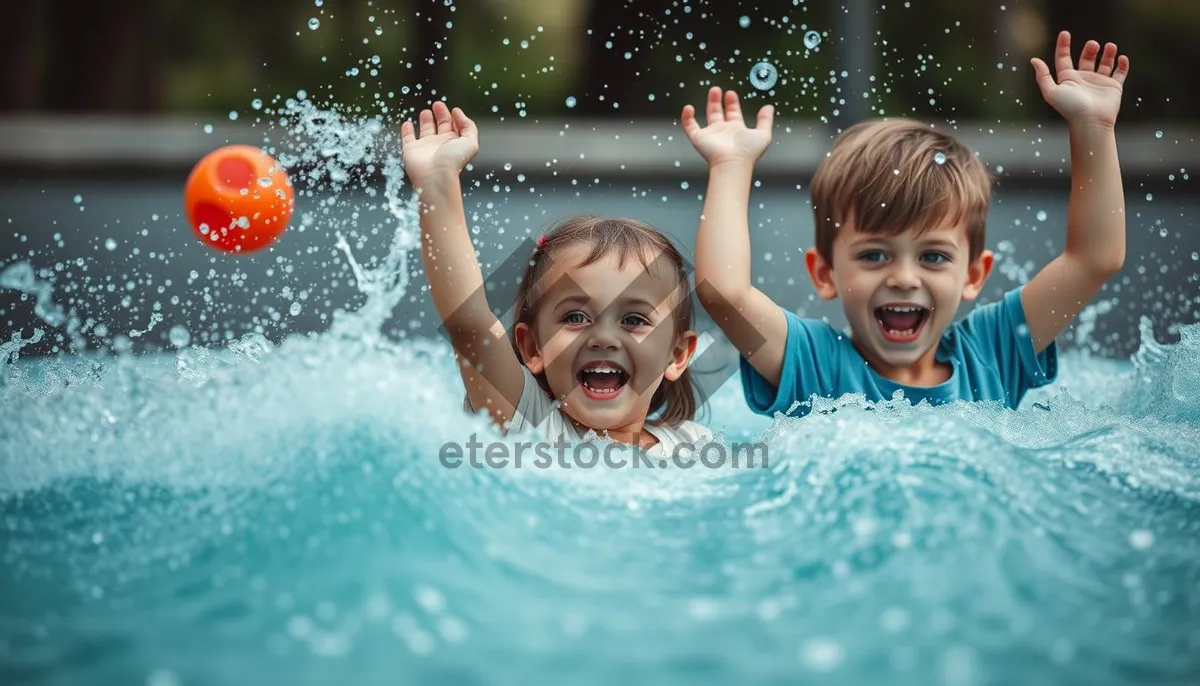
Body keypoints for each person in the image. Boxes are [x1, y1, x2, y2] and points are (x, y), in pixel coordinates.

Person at [684, 30, 1130, 418]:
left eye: (933, 256)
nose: (902, 277)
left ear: (974, 274)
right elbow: (724, 292)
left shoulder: (992, 353)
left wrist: (1093, 127)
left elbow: (1094, 259)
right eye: (874, 255)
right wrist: (731, 166)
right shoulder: (815, 365)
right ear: (824, 273)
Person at [400, 101, 712, 455]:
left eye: (634, 320)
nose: (604, 338)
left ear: (676, 355)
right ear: (533, 348)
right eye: (576, 317)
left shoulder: (694, 444)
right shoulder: (527, 425)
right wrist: (436, 184)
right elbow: (469, 324)